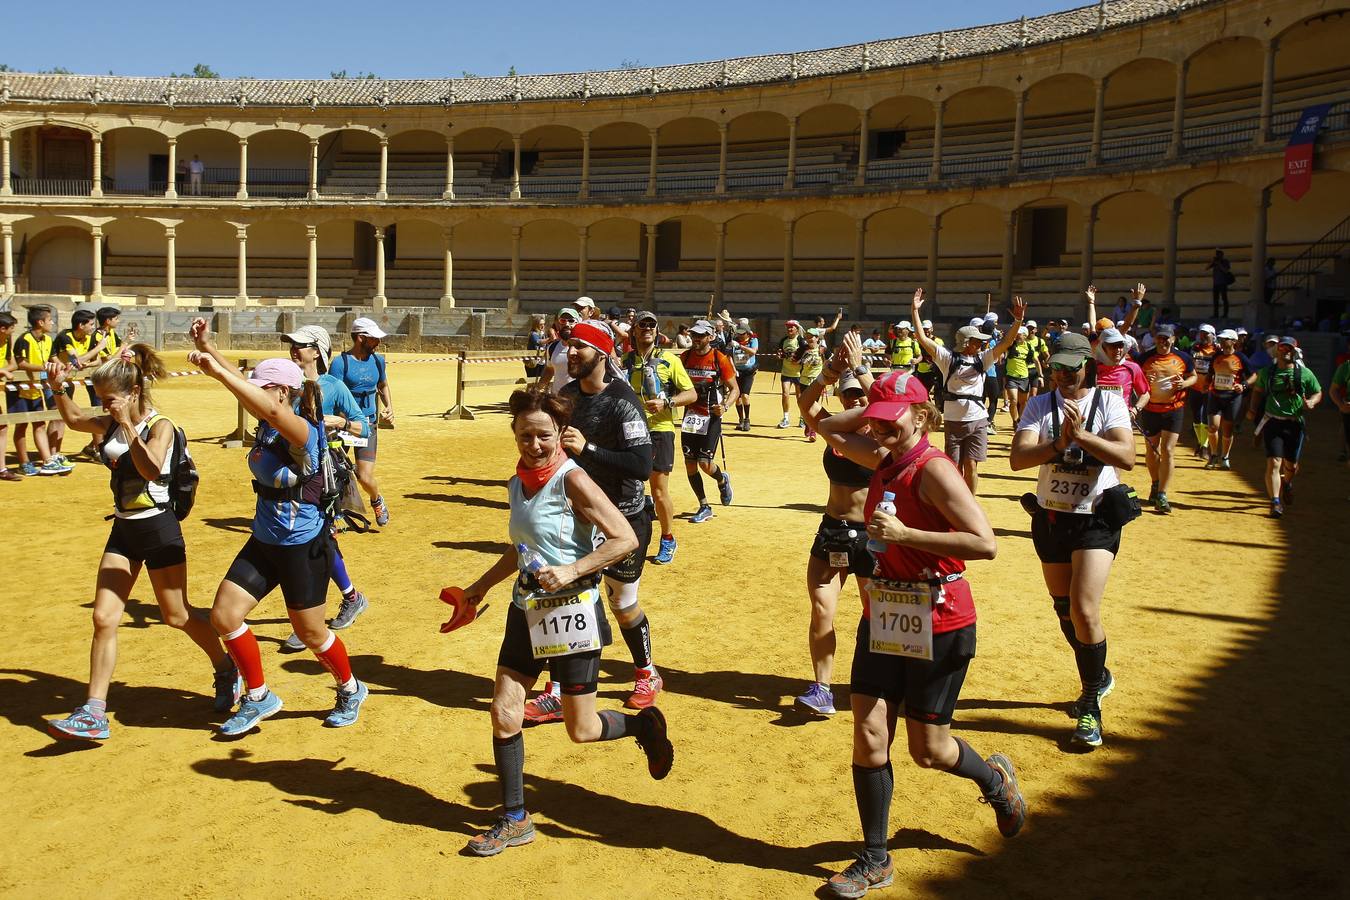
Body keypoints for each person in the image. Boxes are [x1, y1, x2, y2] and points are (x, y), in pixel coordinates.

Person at [816, 370, 1027, 897]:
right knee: (868, 733)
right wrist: (868, 394)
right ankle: (874, 858)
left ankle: (994, 780)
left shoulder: (934, 470)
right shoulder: (884, 456)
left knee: (928, 751)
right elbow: (824, 424)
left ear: (924, 416)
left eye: (893, 421)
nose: (880, 430)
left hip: (940, 616)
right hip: (886, 610)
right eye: (877, 422)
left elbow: (985, 543)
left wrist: (908, 535)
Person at [458, 388, 672, 856]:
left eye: (543, 436)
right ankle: (515, 818)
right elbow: (521, 548)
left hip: (574, 612)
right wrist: (480, 587)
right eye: (524, 436)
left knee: (583, 730)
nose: (534, 445)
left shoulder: (574, 480)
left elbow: (623, 538)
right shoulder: (517, 483)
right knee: (503, 710)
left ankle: (642, 727)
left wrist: (573, 569)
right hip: (526, 610)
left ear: (559, 435)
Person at [42, 346, 239, 741]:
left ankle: (225, 667)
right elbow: (76, 419)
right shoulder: (108, 422)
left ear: (132, 393)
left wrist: (128, 426)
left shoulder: (160, 426)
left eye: (109, 398)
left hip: (159, 530)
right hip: (124, 530)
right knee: (103, 617)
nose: (103, 405)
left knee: (177, 615)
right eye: (101, 398)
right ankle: (94, 710)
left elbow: (150, 470)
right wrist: (58, 387)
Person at [190, 346, 369, 735]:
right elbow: (255, 402)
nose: (253, 396)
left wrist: (220, 373)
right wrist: (211, 353)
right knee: (224, 616)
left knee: (311, 633)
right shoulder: (268, 422)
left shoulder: (303, 430)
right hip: (266, 540)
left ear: (283, 392)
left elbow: (270, 409)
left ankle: (350, 688)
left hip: (303, 545)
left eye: (262, 389)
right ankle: (258, 695)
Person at [523, 320, 663, 723]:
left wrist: (590, 448)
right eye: (569, 347)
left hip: (623, 521)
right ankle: (556, 690)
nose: (570, 354)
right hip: (576, 520)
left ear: (601, 354)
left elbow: (641, 466)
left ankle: (646, 673)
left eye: (579, 348)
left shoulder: (623, 401)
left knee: (622, 603)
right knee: (563, 596)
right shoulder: (566, 395)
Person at [1010, 332, 1136, 750]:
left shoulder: (1110, 402)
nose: (1063, 374)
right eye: (1057, 367)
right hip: (1051, 518)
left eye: (1071, 367)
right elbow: (1017, 459)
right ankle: (1098, 675)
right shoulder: (1040, 404)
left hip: (1095, 519)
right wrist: (1059, 442)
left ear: (1089, 364)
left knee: (1084, 609)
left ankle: (1090, 705)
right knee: (1064, 609)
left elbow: (1127, 457)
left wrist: (1082, 437)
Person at [271, 325, 374, 646]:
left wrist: (340, 424)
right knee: (317, 542)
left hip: (324, 477)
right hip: (292, 475)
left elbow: (364, 430)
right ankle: (347, 598)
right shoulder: (287, 386)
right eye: (292, 344)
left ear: (317, 351)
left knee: (313, 543)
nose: (294, 349)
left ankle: (313, 617)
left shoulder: (333, 387)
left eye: (300, 345)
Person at [794, 332, 875, 716]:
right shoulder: (832, 429)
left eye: (860, 393)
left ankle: (879, 682)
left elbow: (897, 406)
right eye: (849, 394)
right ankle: (822, 687)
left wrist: (861, 369)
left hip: (877, 534)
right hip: (834, 531)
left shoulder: (887, 434)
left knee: (879, 612)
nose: (855, 399)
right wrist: (828, 373)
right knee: (821, 609)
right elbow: (804, 402)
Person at [912, 289, 1024, 495]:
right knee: (953, 466)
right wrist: (915, 311)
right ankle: (955, 500)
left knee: (971, 464)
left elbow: (1006, 342)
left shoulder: (984, 358)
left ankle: (969, 501)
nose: (982, 342)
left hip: (977, 418)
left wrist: (1017, 320)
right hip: (954, 420)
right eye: (977, 340)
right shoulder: (947, 359)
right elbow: (921, 337)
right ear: (967, 343)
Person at [623, 311, 696, 566]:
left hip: (660, 429)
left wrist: (667, 402)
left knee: (658, 489)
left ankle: (668, 538)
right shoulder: (625, 360)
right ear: (634, 330)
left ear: (657, 331)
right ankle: (626, 540)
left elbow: (691, 394)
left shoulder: (669, 360)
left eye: (651, 325)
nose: (647, 329)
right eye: (642, 325)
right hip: (630, 431)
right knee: (628, 488)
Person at [1248, 336, 1322, 518]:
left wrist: (1311, 402)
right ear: (1277, 351)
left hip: (1294, 423)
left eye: (1289, 349)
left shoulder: (1304, 373)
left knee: (1292, 465)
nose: (1285, 351)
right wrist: (1252, 409)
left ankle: (1287, 483)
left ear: (1295, 351)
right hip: (1273, 421)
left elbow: (1318, 392)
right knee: (1274, 463)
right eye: (1282, 348)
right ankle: (1275, 501)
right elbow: (1257, 391)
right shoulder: (1268, 372)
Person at [329, 317, 393, 526]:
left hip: (368, 425)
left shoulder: (378, 361)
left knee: (364, 476)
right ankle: (331, 515)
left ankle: (377, 500)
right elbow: (332, 393)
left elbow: (383, 385)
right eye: (374, 339)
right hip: (343, 427)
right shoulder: (340, 363)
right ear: (360, 338)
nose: (378, 343)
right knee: (332, 472)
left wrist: (389, 407)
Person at [680, 320, 738, 523]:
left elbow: (735, 389)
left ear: (711, 337)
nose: (696, 338)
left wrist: (725, 406)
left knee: (705, 464)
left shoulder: (719, 359)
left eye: (701, 335)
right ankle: (704, 505)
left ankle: (722, 480)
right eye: (694, 334)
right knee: (689, 464)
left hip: (711, 416)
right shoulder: (685, 357)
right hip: (690, 417)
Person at [1135, 325, 1195, 515]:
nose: (1163, 341)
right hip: (1151, 410)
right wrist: (1145, 378)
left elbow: (1193, 376)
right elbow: (1136, 379)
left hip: (1173, 409)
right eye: (1160, 338)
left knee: (1168, 450)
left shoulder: (1183, 358)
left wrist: (1184, 383)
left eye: (1166, 338)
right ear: (1154, 339)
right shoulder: (1145, 358)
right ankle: (1155, 483)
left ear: (1173, 339)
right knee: (1152, 450)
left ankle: (1162, 494)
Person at [11, 305, 72, 476]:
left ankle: (47, 460)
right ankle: (23, 462)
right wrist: (43, 367)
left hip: (38, 387)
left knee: (39, 422)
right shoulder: (24, 339)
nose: (52, 322)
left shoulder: (47, 340)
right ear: (40, 322)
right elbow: (21, 363)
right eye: (49, 319)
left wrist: (61, 365)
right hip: (21, 389)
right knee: (22, 424)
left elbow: (53, 358)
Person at [1203, 329, 1253, 470]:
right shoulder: (1216, 356)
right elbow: (1210, 373)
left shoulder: (1241, 357)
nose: (1222, 341)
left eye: (1225, 339)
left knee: (1228, 429)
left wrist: (1243, 385)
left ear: (1234, 342)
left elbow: (1253, 375)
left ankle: (1225, 456)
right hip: (1215, 395)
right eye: (1221, 339)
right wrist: (1206, 384)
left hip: (1232, 397)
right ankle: (1213, 455)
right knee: (1213, 427)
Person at [1188, 324, 1219, 459]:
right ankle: (1200, 442)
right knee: (1196, 416)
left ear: (1213, 336)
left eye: (1206, 334)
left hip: (1209, 388)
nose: (1203, 337)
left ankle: (1204, 446)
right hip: (1195, 386)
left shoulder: (1218, 351)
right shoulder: (1194, 348)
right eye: (1202, 334)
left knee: (1206, 416)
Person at [1002, 326, 1039, 428]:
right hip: (1011, 377)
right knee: (1013, 400)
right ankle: (1014, 421)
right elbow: (1003, 344)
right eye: (1016, 334)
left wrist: (1040, 375)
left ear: (1025, 335)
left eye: (1019, 334)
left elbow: (1036, 360)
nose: (1017, 336)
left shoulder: (1029, 346)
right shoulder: (1010, 345)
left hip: (1024, 377)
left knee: (1023, 402)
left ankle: (1020, 420)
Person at [539, 307, 578, 394]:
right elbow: (549, 369)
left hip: (579, 402)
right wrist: (538, 389)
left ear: (577, 323)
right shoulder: (552, 347)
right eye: (563, 321)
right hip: (558, 400)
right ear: (557, 324)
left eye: (571, 320)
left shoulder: (585, 347)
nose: (567, 324)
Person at [795, 331, 826, 441]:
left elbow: (829, 362)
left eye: (811, 337)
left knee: (814, 404)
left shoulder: (822, 349)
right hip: (804, 380)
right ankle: (808, 424)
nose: (809, 339)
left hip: (817, 382)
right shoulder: (803, 348)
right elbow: (794, 361)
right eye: (807, 337)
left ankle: (813, 431)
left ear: (817, 338)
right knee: (805, 405)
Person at [0, 311, 19, 481]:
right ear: (2, 328)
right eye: (11, 328)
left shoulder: (6, 342)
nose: (13, 331)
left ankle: (1, 468)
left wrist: (6, 370)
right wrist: (2, 370)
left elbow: (13, 364)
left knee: (2, 427)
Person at [730, 321, 759, 431]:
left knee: (745, 395)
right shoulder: (734, 341)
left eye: (742, 334)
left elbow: (753, 352)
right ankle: (740, 420)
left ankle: (747, 419)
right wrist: (733, 369)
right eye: (739, 334)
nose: (740, 336)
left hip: (748, 372)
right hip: (737, 371)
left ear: (747, 333)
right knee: (737, 397)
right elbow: (730, 356)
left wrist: (741, 346)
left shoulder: (753, 340)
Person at [778, 319, 804, 428]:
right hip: (786, 372)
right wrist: (780, 355)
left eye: (791, 327)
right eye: (788, 327)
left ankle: (803, 418)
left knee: (800, 397)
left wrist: (797, 359)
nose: (789, 329)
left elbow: (806, 355)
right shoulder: (783, 340)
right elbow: (779, 352)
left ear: (796, 329)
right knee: (785, 394)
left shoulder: (801, 341)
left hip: (799, 373)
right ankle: (786, 418)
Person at [1206, 249, 1234, 319]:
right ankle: (1216, 314)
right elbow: (1206, 268)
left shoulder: (1225, 262)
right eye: (1216, 255)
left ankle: (1225, 314)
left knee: (1224, 299)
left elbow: (1226, 270)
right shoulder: (1214, 262)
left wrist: (1219, 264)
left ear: (1222, 255)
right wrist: (1212, 262)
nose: (1217, 256)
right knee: (1215, 299)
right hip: (1216, 283)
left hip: (1223, 283)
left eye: (1218, 254)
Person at [524, 316, 548, 380]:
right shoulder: (533, 334)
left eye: (544, 324)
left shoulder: (544, 334)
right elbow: (538, 342)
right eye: (540, 324)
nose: (543, 326)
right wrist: (550, 339)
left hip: (542, 362)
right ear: (535, 325)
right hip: (533, 362)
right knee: (531, 382)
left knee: (540, 381)